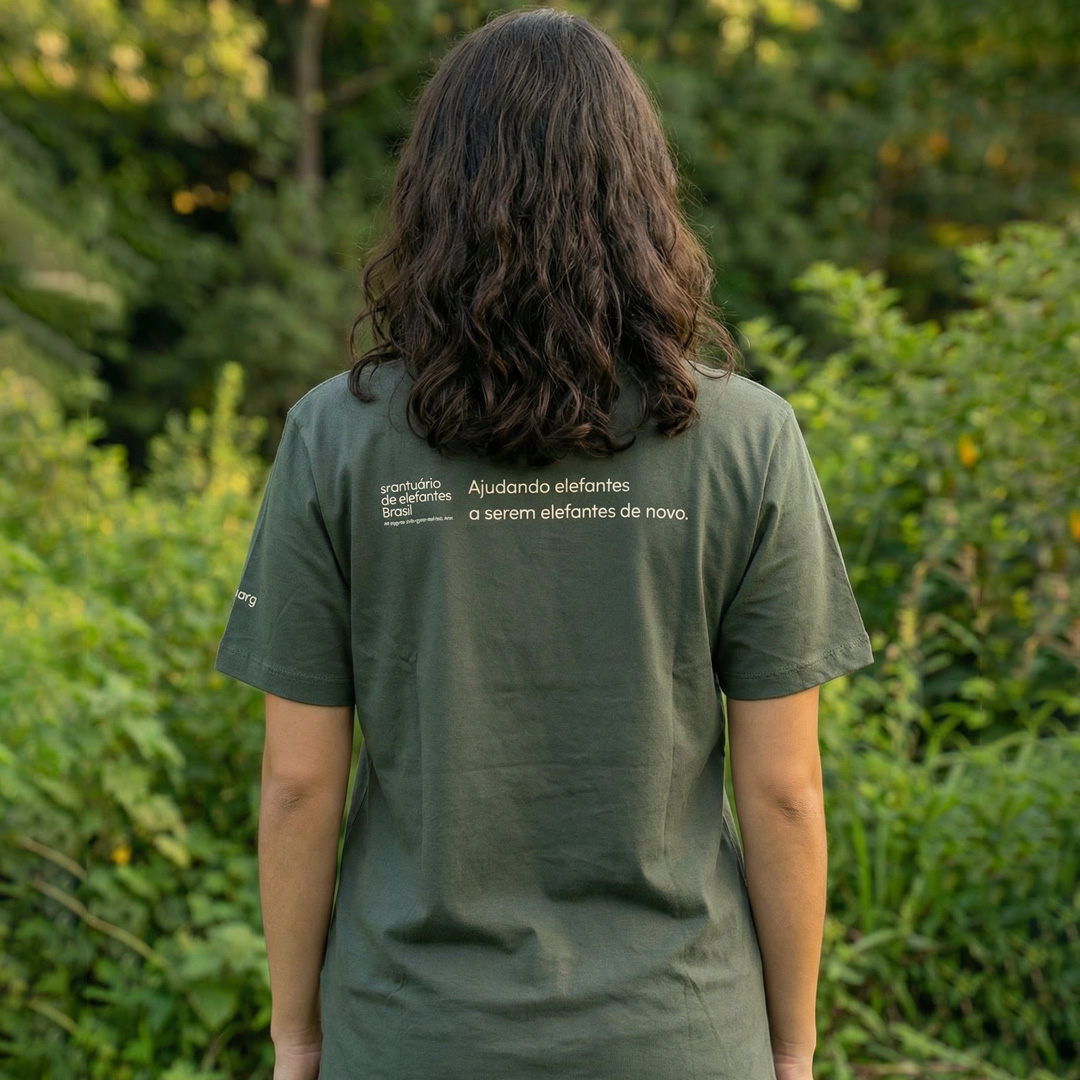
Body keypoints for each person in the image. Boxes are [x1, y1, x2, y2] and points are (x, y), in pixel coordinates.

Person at [215, 9, 873, 1080]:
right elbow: (786, 791)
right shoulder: (750, 440)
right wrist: (792, 1049)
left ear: (432, 195)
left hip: (412, 1036)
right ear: (642, 195)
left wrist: (297, 1039)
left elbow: (297, 785)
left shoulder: (335, 437)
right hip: (681, 1035)